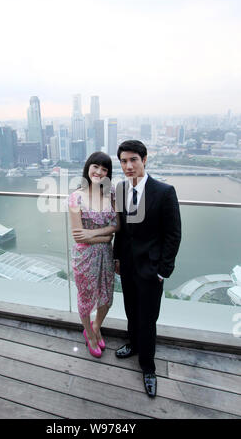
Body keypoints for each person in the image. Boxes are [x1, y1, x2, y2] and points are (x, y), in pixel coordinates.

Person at [114, 140, 181, 397]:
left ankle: (148, 367)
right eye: (123, 161)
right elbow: (122, 232)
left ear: (144, 160)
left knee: (148, 318)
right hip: (128, 266)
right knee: (131, 309)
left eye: (133, 160)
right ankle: (133, 344)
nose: (128, 166)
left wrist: (164, 270)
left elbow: (173, 234)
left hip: (152, 270)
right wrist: (117, 258)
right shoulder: (120, 189)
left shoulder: (164, 191)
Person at [68, 151, 119, 358]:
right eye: (95, 167)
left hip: (106, 256)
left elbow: (118, 225)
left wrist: (95, 233)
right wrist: (104, 238)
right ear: (88, 167)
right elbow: (79, 237)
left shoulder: (112, 193)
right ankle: (89, 334)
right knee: (86, 298)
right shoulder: (75, 197)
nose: (99, 172)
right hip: (85, 257)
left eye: (104, 169)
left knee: (106, 298)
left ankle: (96, 326)